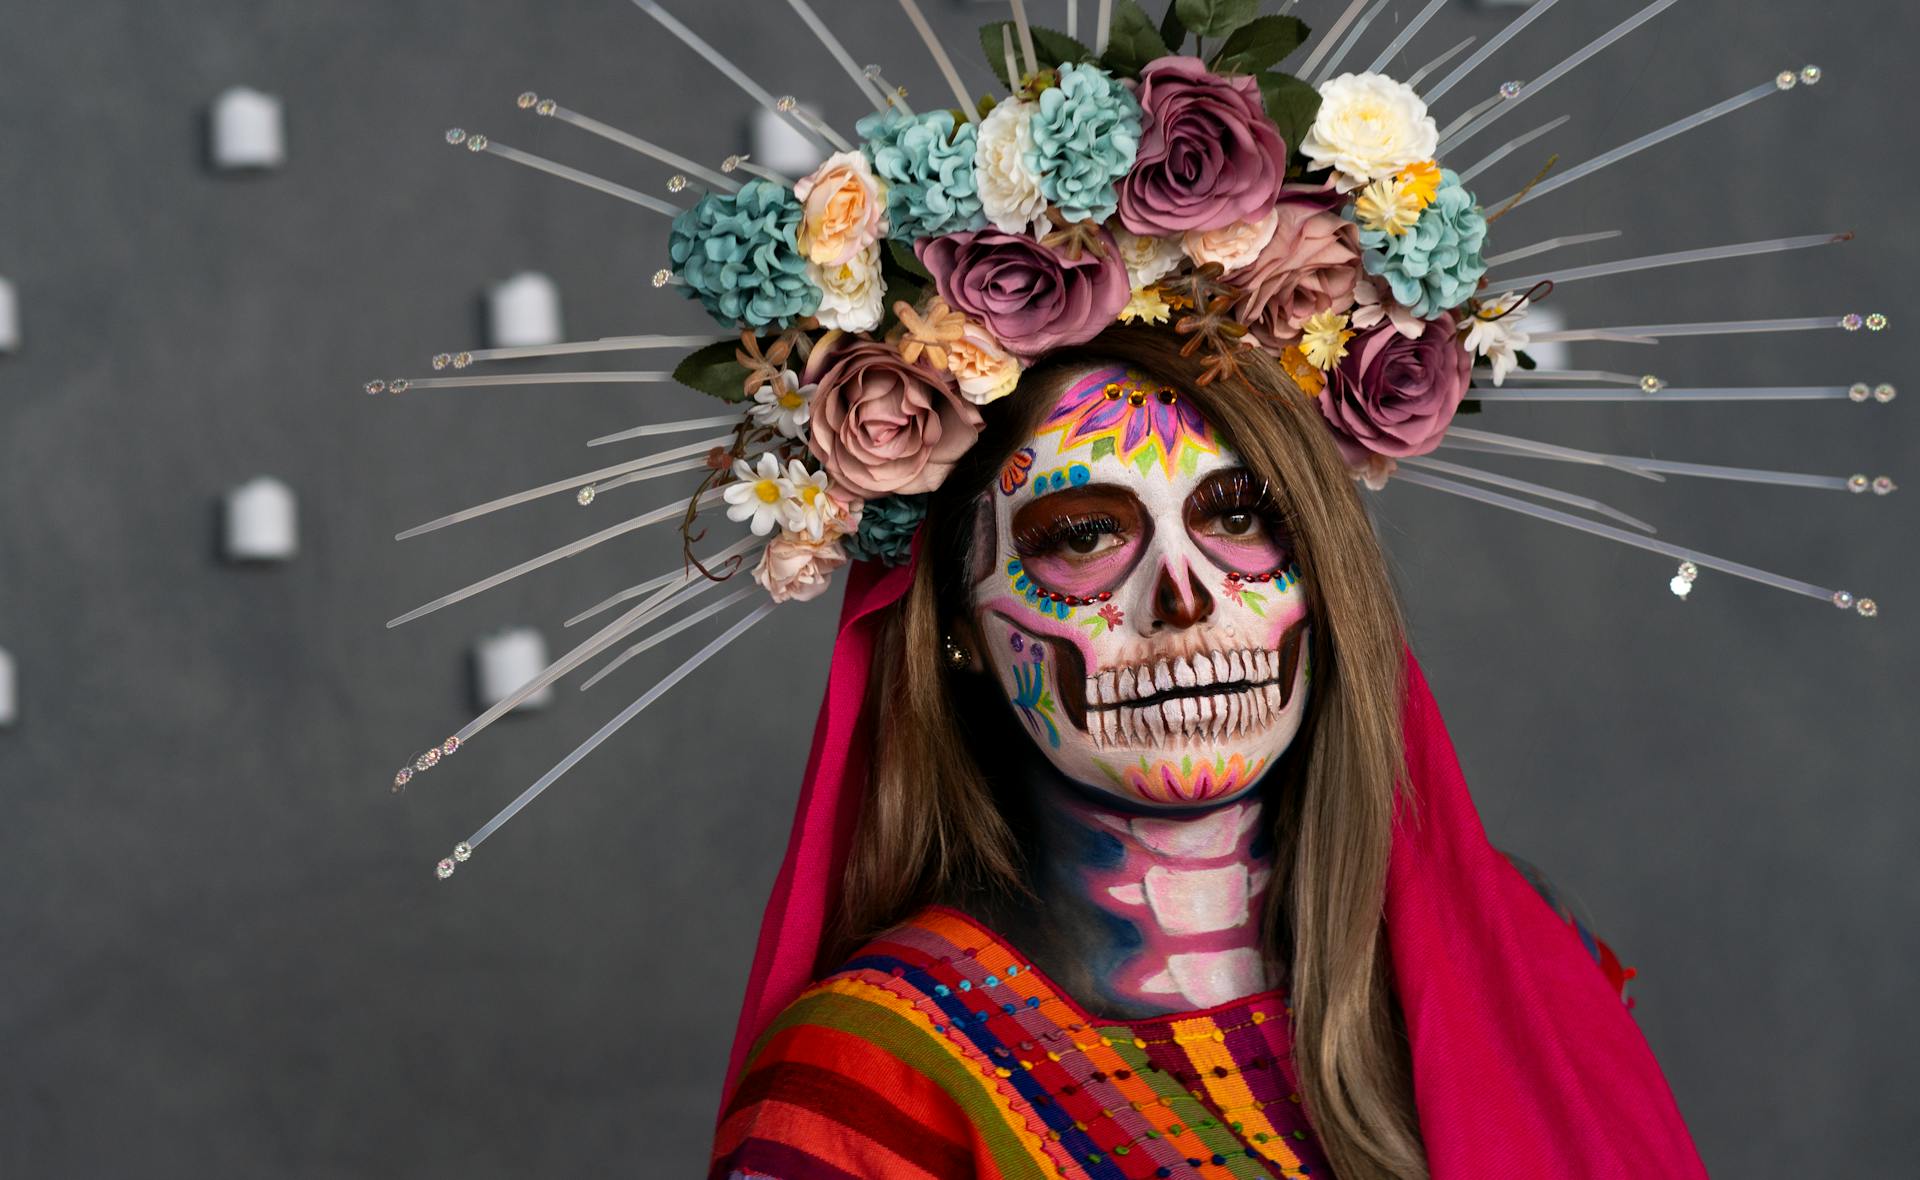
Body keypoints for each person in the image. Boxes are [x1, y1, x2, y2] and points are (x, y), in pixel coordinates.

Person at [709, 329, 1699, 1179]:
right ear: (958, 621)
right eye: (1085, 533)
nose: (1183, 594)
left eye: (1239, 516)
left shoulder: (1511, 944)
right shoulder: (865, 1080)